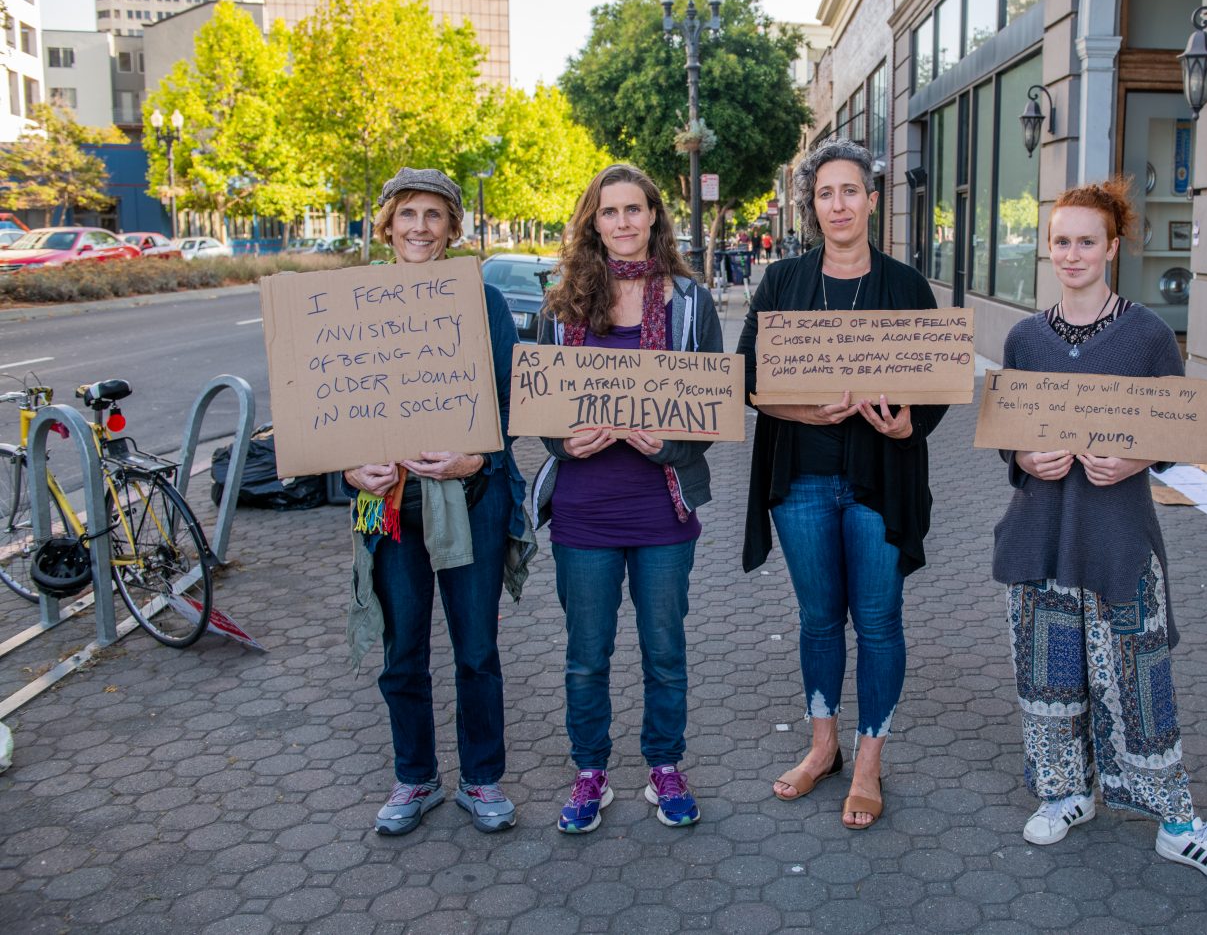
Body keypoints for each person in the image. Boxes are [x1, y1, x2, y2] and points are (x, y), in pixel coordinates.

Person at [991, 178, 1207, 887]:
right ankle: (1066, 790)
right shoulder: (1024, 337)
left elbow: (1175, 433)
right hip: (1040, 535)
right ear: (1048, 247)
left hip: (1118, 537)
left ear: (1112, 247)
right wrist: (1023, 456)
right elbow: (1007, 437)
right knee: (1049, 677)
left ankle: (1175, 821)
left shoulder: (1146, 335)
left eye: (1086, 241)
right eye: (1060, 241)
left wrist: (1136, 456)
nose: (1071, 253)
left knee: (1140, 681)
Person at [739, 138, 947, 830]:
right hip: (801, 477)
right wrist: (803, 409)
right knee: (820, 619)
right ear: (812, 205)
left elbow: (939, 383)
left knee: (880, 621)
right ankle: (822, 745)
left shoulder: (908, 286)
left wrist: (903, 427)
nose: (838, 205)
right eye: (825, 193)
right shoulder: (782, 284)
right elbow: (747, 378)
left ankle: (868, 761)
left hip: (878, 482)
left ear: (871, 199)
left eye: (850, 191)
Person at [531, 163, 722, 834]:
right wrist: (563, 443)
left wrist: (665, 442)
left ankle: (665, 766)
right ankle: (591, 772)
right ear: (593, 222)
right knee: (587, 653)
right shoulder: (560, 307)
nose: (622, 222)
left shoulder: (691, 303)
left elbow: (712, 412)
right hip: (584, 509)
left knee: (664, 648)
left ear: (653, 217)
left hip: (662, 508)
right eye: (608, 212)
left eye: (633, 210)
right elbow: (539, 407)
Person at [345, 168, 534, 836]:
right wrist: (349, 466)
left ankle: (481, 779)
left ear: (453, 227)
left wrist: (474, 458)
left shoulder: (482, 303)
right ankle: (415, 775)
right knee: (403, 653)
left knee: (476, 648)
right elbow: (330, 404)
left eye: (433, 215)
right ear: (387, 223)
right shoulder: (354, 302)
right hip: (393, 506)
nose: (419, 227)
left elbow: (513, 401)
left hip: (471, 501)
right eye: (407, 214)